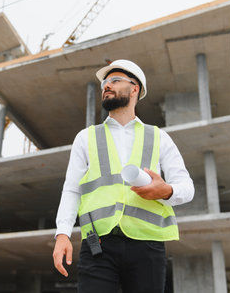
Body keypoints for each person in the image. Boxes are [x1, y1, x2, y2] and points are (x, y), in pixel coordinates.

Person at [52, 59, 194, 293]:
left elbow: (187, 187)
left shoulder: (159, 138)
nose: (106, 86)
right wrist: (62, 234)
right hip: (97, 244)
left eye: (114, 80)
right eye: (104, 83)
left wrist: (166, 191)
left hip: (148, 245)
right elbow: (72, 189)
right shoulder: (86, 138)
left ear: (134, 88)